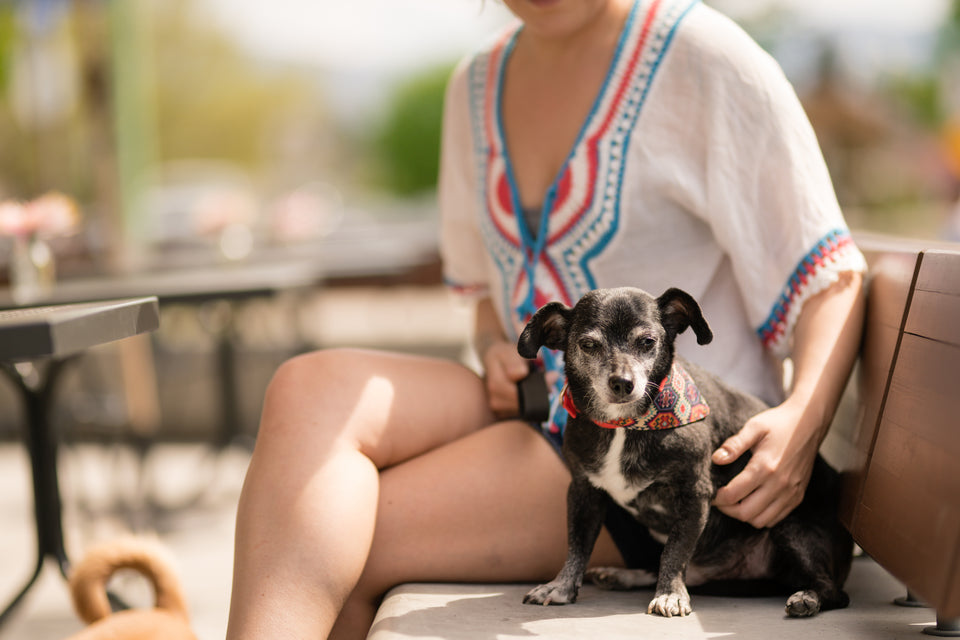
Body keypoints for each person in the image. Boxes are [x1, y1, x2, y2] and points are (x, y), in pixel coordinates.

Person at [225, 1, 866, 638]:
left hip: (665, 462)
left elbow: (830, 277)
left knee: (327, 538)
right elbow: (480, 285)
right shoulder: (473, 85)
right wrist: (492, 345)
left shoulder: (707, 59)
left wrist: (803, 423)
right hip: (542, 406)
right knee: (306, 390)